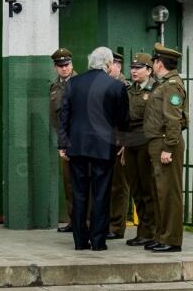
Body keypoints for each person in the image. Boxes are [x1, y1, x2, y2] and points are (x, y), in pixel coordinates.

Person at [58, 46, 129, 251]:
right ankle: (98, 241)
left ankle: (80, 241)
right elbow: (123, 119)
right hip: (103, 147)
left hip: (76, 146)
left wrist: (63, 144)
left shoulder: (73, 83)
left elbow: (65, 116)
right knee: (101, 194)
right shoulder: (116, 86)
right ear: (108, 64)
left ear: (90, 62)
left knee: (79, 193)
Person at [143, 43, 188, 252]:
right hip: (158, 142)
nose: (153, 64)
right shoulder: (164, 83)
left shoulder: (171, 85)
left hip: (165, 143)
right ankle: (162, 235)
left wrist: (169, 147)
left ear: (159, 63)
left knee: (169, 192)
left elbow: (173, 120)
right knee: (160, 191)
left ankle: (171, 239)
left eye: (154, 61)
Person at [122, 53, 157, 247]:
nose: (134, 71)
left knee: (147, 188)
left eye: (139, 68)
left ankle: (150, 230)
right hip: (131, 143)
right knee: (135, 187)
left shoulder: (156, 89)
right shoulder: (130, 89)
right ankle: (142, 230)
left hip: (145, 142)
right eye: (132, 68)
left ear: (149, 70)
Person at [49, 48, 77, 233]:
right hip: (64, 140)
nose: (64, 69)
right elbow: (55, 116)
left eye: (66, 65)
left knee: (82, 182)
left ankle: (86, 220)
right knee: (68, 182)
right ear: (55, 68)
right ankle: (73, 220)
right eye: (60, 66)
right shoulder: (55, 87)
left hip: (79, 139)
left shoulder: (79, 83)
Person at [107, 51, 130, 240]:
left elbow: (129, 118)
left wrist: (124, 141)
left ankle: (116, 226)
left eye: (111, 64)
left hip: (119, 142)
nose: (107, 68)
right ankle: (107, 223)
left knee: (118, 186)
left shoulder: (125, 86)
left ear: (118, 66)